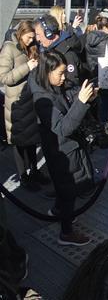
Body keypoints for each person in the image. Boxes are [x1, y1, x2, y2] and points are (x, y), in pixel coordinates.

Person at [31, 51, 99, 246]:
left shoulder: (52, 85)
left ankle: (58, 211)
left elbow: (69, 99)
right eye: (59, 73)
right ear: (46, 72)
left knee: (64, 189)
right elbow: (63, 128)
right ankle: (66, 233)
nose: (64, 78)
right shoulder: (41, 98)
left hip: (64, 149)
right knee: (69, 190)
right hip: (61, 151)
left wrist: (88, 97)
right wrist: (82, 102)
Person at [0, 21, 46, 190]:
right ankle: (23, 176)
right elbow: (3, 78)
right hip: (17, 103)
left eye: (33, 38)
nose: (30, 41)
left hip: (32, 101)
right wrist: (27, 67)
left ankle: (34, 171)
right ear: (20, 33)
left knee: (32, 140)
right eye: (28, 37)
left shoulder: (32, 47)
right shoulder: (8, 48)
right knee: (19, 141)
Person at [33, 15, 85, 92]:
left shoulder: (67, 54)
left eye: (38, 34)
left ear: (49, 34)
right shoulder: (48, 50)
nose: (37, 39)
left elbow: (72, 85)